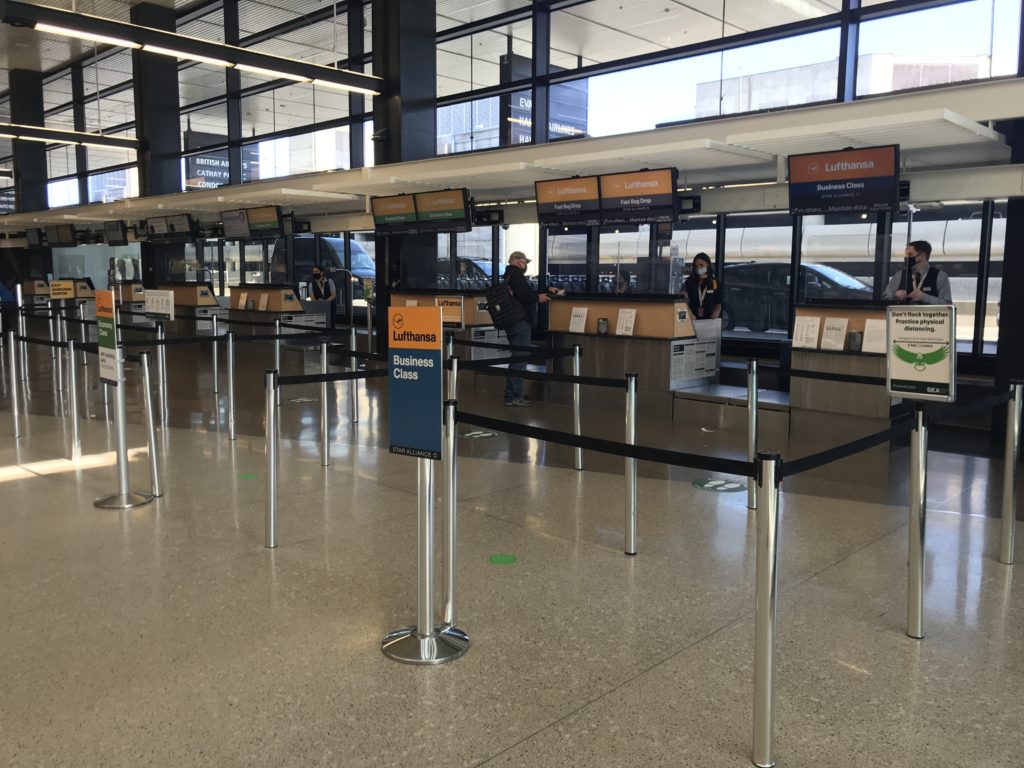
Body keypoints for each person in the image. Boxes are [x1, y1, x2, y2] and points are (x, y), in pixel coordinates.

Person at [502, 251, 550, 407]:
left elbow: (521, 294)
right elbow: (525, 296)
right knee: (519, 359)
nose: (526, 265)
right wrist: (538, 298)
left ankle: (513, 395)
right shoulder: (516, 275)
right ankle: (513, 396)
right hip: (520, 321)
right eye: (524, 262)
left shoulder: (508, 275)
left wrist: (542, 293)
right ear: (517, 261)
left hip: (511, 321)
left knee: (517, 357)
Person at [882, 240, 952, 305]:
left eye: (910, 255)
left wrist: (924, 297)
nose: (906, 258)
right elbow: (885, 297)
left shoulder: (940, 276)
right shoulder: (900, 275)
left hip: (930, 317)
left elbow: (947, 304)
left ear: (921, 256)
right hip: (903, 317)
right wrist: (895, 295)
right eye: (906, 255)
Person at [683, 252, 721, 320]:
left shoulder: (714, 282)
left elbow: (718, 305)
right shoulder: (689, 282)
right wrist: (690, 314)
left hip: (709, 321)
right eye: (696, 266)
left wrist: (715, 314)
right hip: (691, 319)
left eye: (701, 265)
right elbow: (683, 302)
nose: (699, 268)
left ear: (708, 265)